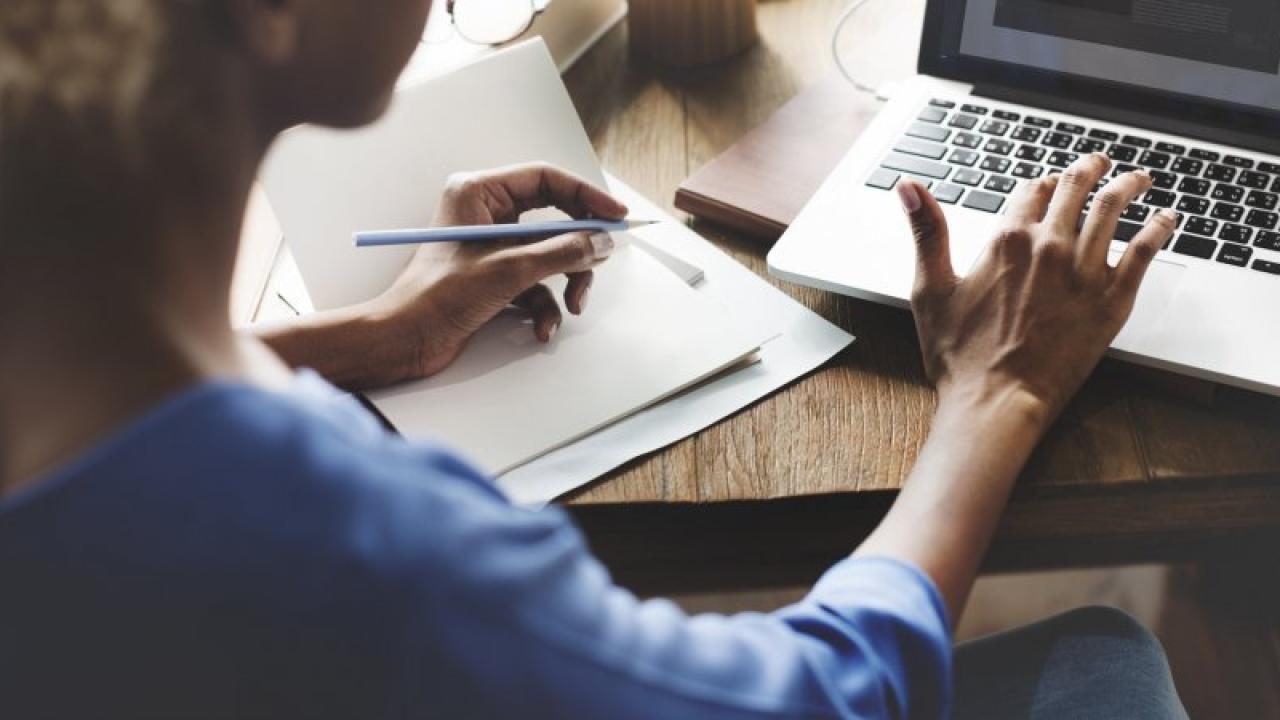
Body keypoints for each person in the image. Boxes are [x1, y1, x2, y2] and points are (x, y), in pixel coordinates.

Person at [0, 1, 1188, 718]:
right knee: (1102, 663)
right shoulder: (359, 558)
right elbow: (823, 698)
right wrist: (995, 396)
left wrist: (359, 341)